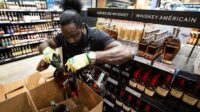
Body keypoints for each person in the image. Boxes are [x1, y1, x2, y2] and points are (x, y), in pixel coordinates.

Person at [38, 8, 132, 73]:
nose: (70, 40)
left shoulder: (96, 35)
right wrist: (47, 53)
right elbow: (44, 44)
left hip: (92, 82)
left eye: (74, 36)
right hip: (72, 78)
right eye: (66, 37)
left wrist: (89, 57)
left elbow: (126, 53)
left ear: (82, 27)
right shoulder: (63, 36)